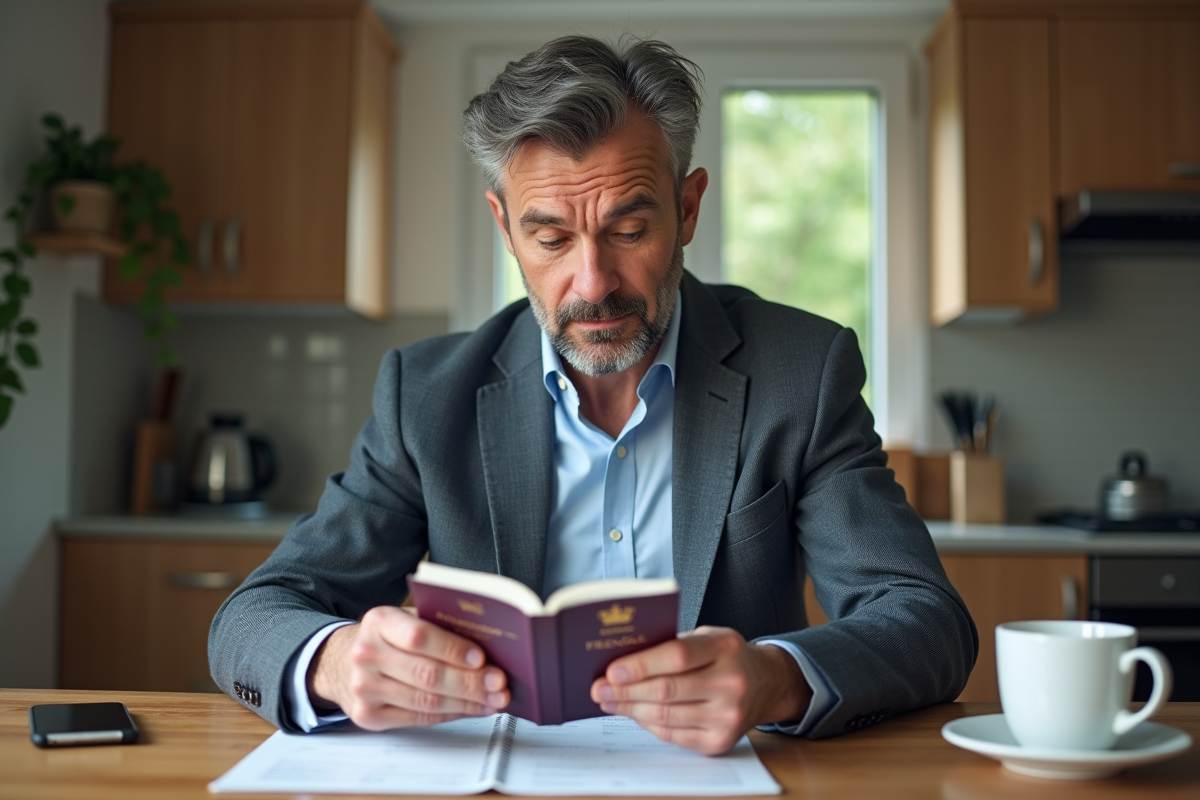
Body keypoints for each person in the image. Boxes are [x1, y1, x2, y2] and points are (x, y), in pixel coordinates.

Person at [209, 35, 976, 756]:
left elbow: (926, 621)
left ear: (687, 209)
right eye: (550, 239)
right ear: (504, 227)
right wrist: (337, 662)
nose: (593, 282)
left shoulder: (800, 373)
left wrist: (775, 678)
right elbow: (252, 615)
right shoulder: (427, 396)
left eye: (628, 229)